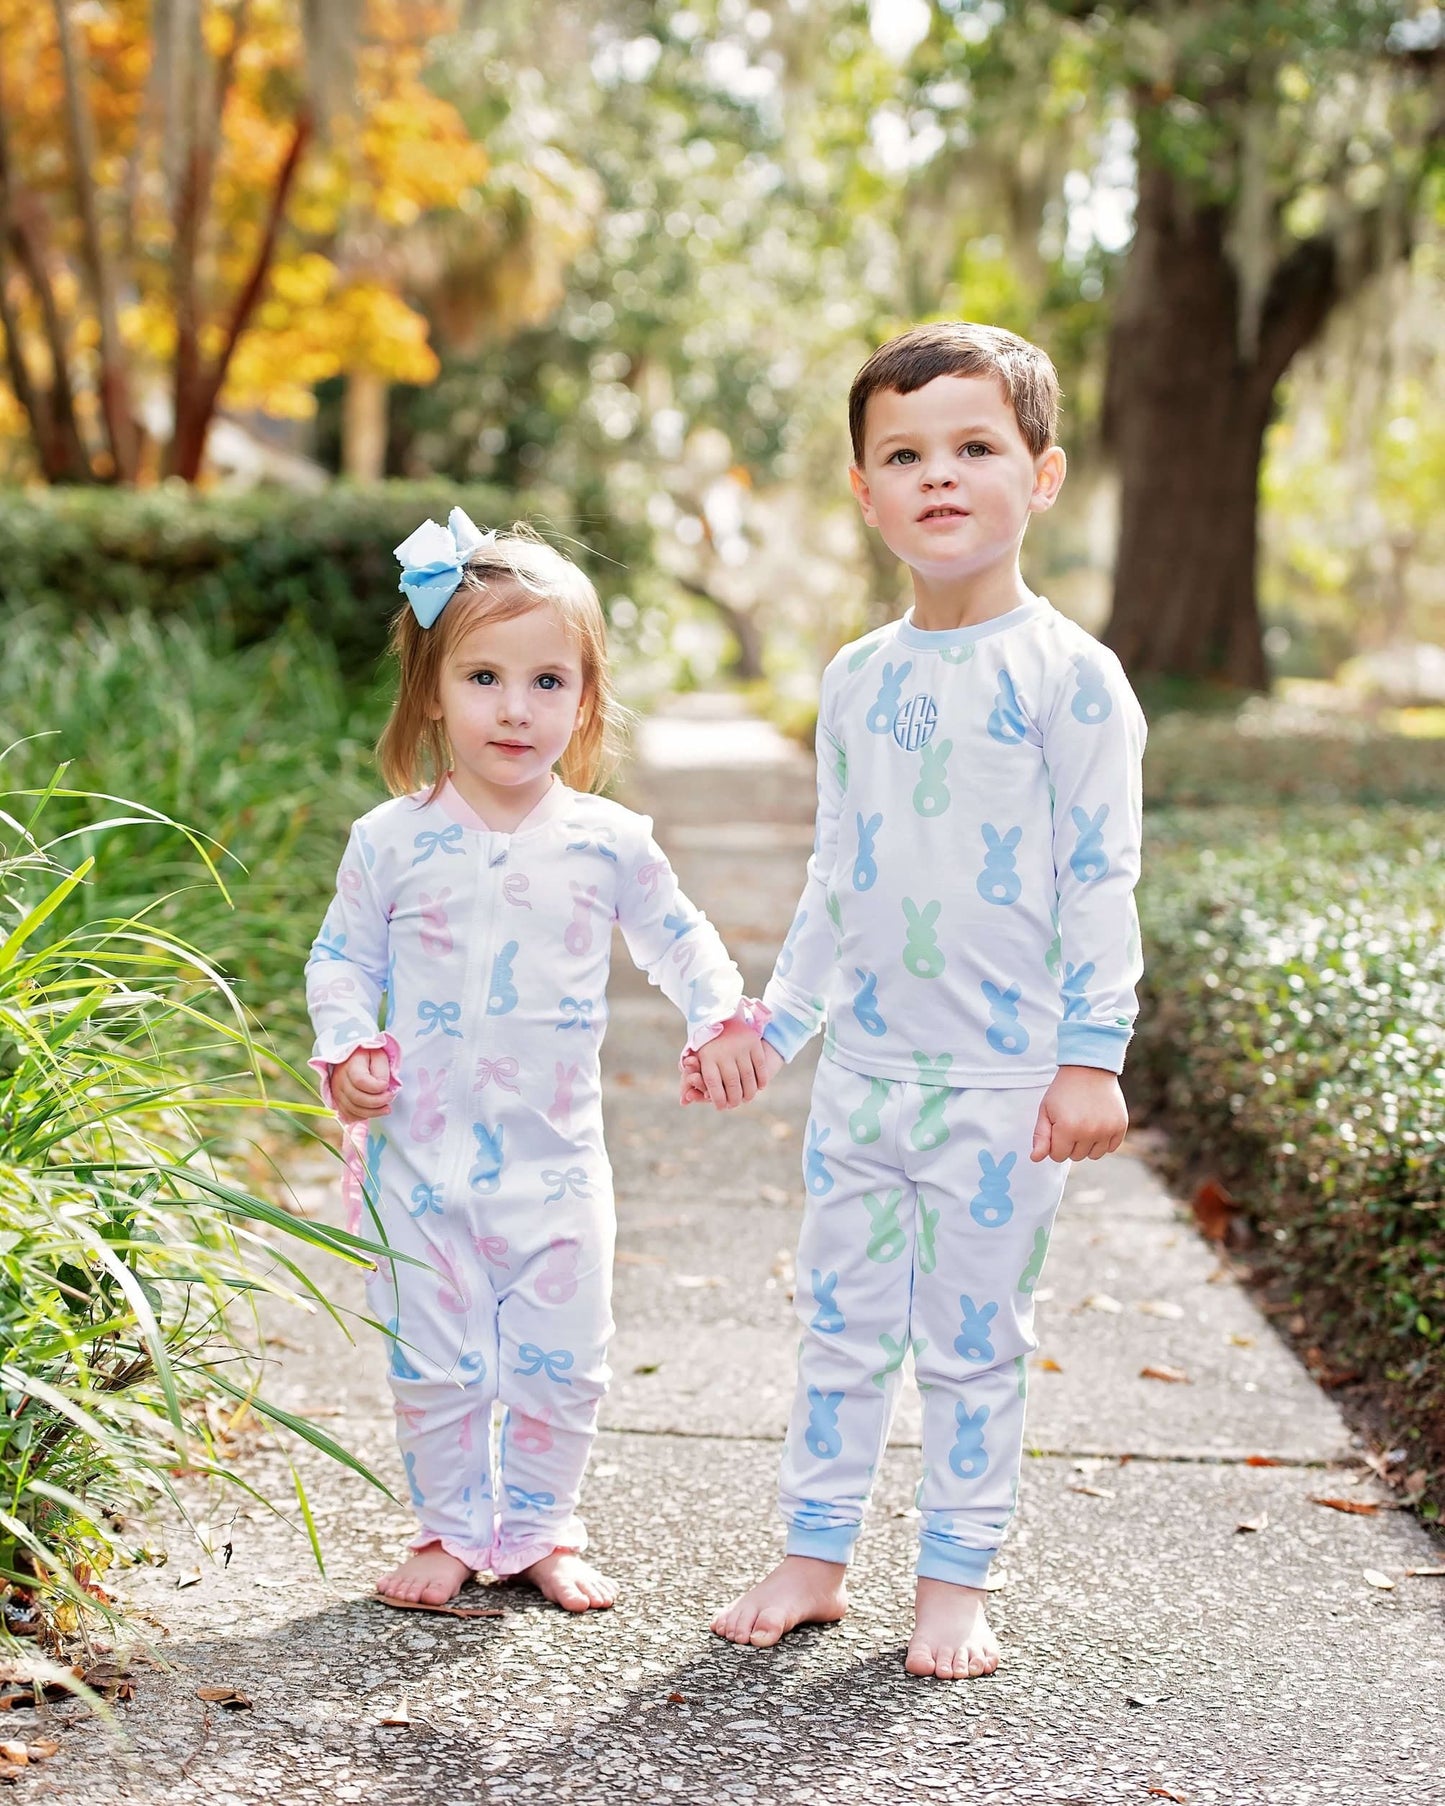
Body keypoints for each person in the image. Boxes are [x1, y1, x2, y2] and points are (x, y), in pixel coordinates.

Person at [692, 322, 1146, 1679]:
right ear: (862, 489)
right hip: (869, 1076)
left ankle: (954, 1574)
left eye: (973, 447)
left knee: (970, 1343)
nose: (938, 476)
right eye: (905, 453)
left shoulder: (1071, 677)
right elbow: (841, 879)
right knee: (838, 1324)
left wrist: (1090, 1055)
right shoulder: (856, 679)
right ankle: (816, 1554)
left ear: (1042, 475)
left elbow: (1098, 875)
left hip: (1006, 1086)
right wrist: (776, 1023)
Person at [307, 511, 772, 1614]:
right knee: (435, 1363)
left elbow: (678, 938)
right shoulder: (389, 840)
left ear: (585, 699)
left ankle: (541, 1528)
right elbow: (340, 960)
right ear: (431, 692)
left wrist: (719, 1014)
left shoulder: (609, 841)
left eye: (547, 682)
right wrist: (345, 1054)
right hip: (419, 1165)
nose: (514, 709)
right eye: (482, 677)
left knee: (564, 1360)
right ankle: (453, 1528)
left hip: (554, 1164)